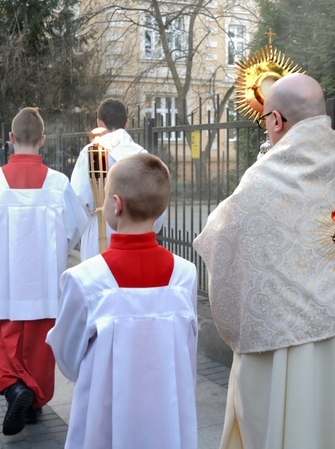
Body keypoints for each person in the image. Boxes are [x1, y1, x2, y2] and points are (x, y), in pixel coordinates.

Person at [193, 73, 335, 448]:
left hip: (293, 339)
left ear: (275, 120)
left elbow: (220, 236)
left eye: (265, 120)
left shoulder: (266, 177)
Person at [47, 153, 198, 449]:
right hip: (167, 413)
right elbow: (186, 349)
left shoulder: (85, 278)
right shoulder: (185, 274)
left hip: (105, 415)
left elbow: (67, 357)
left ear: (115, 204)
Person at [0, 107, 87, 436]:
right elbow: (77, 226)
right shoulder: (58, 183)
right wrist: (57, 252)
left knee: (2, 336)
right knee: (39, 342)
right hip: (43, 280)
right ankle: (33, 402)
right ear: (43, 141)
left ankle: (14, 389)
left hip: (3, 277)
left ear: (10, 139)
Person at [70, 98, 164, 261]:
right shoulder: (142, 155)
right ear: (127, 123)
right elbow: (156, 205)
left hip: (99, 231)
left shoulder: (93, 151)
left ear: (99, 122)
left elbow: (79, 202)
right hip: (136, 235)